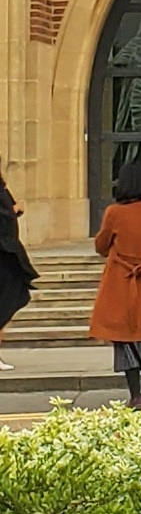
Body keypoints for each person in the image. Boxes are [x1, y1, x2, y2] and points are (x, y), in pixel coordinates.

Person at [89, 162, 141, 409]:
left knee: (125, 338)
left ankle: (134, 395)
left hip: (121, 282)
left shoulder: (114, 212)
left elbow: (101, 247)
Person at [0, 159, 37, 371]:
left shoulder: (2, 189)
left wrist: (14, 209)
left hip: (8, 255)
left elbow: (10, 211)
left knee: (9, 301)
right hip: (4, 254)